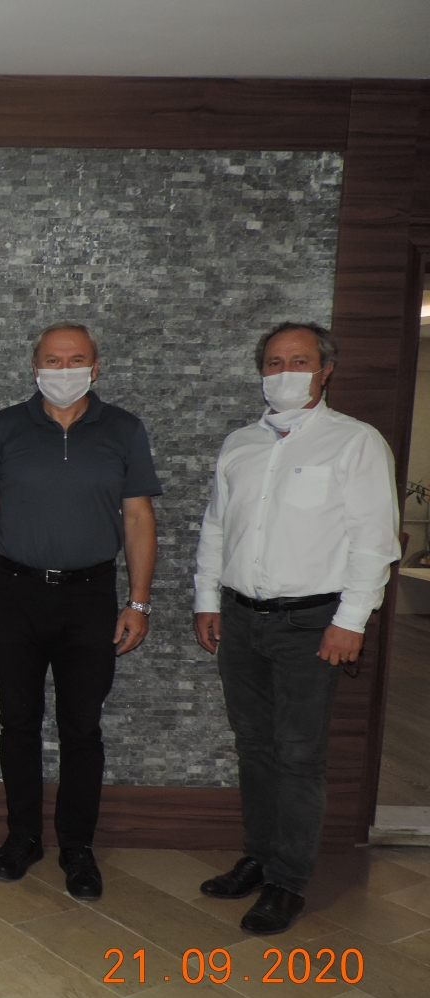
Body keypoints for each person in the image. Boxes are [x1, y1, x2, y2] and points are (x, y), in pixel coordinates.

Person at [193, 322, 399, 935]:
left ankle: (287, 881)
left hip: (312, 624)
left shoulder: (355, 443)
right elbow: (216, 528)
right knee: (253, 747)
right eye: (274, 361)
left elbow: (374, 543)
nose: (285, 372)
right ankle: (258, 857)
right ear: (261, 370)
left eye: (299, 360)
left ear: (325, 370)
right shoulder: (239, 445)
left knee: (299, 755)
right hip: (239, 618)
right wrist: (206, 600)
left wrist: (350, 622)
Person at [0, 322, 160, 900]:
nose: (64, 368)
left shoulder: (123, 429)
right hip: (16, 593)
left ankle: (78, 846)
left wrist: (139, 600)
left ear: (96, 368)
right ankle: (22, 835)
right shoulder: (5, 427)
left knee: (82, 726)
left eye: (77, 359)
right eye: (53, 359)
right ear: (35, 366)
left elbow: (139, 518)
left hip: (91, 597)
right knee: (18, 722)